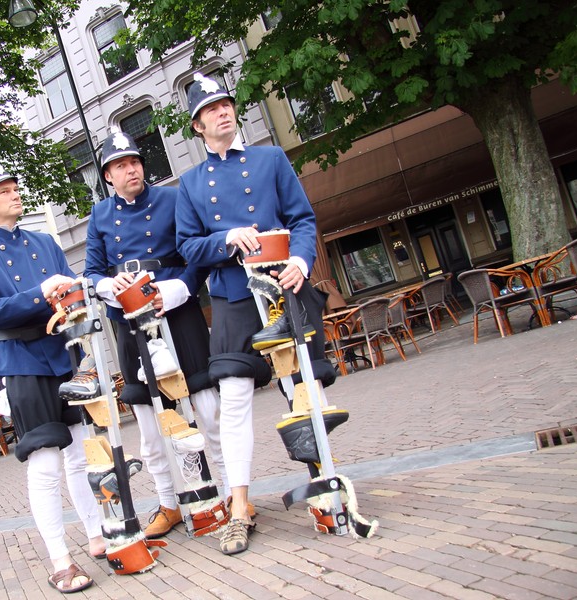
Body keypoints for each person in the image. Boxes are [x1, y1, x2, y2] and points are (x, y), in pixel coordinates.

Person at [175, 73, 329, 555]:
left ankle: (325, 484)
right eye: (211, 109)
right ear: (198, 126)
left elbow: (302, 219)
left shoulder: (270, 158)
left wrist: (302, 260)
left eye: (226, 104)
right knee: (235, 398)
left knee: (301, 389)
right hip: (233, 299)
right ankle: (240, 506)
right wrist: (225, 239)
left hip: (285, 287)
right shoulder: (192, 182)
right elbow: (186, 245)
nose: (223, 112)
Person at [0, 162, 104, 593]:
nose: (15, 193)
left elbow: (71, 303)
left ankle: (97, 536)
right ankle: (60, 561)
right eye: (4, 190)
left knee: (80, 456)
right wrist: (40, 294)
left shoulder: (45, 242)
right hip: (21, 363)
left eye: (15, 186)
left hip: (64, 356)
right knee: (44, 464)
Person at [82, 128, 230, 538]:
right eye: (119, 166)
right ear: (107, 176)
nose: (130, 170)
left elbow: (195, 253)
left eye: (134, 162)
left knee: (207, 410)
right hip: (130, 324)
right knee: (149, 423)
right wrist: (105, 287)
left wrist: (178, 288)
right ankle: (168, 502)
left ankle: (229, 492)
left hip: (176, 311)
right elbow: (92, 270)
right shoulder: (99, 216)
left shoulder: (172, 197)